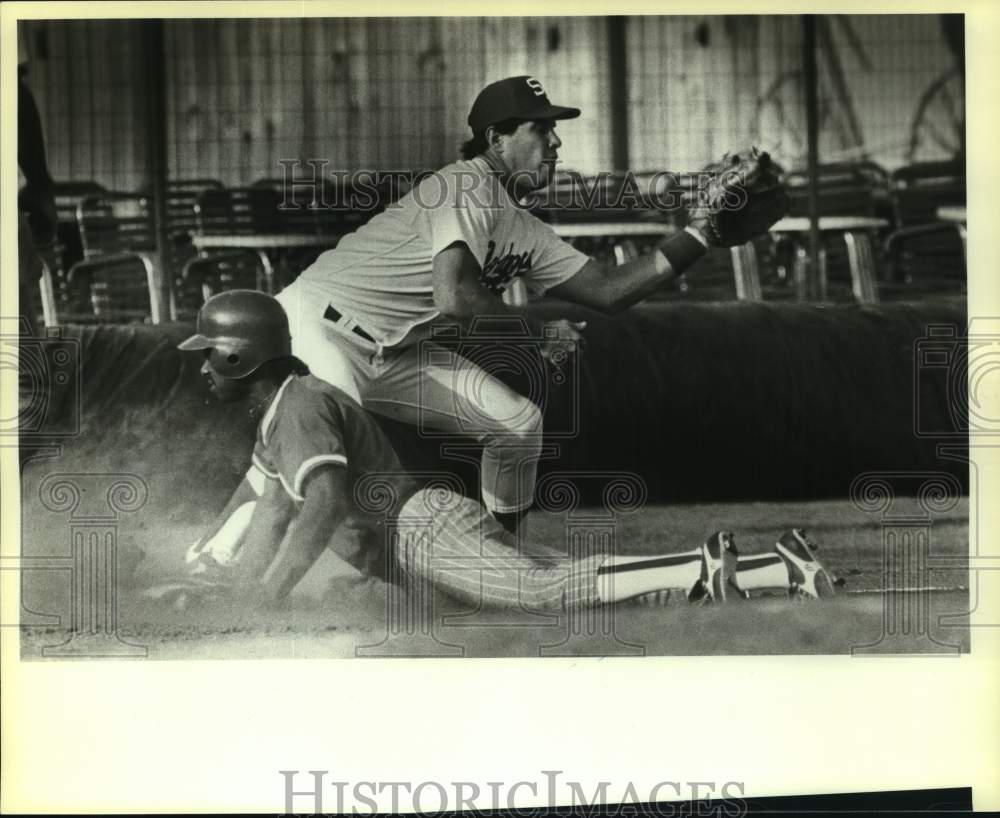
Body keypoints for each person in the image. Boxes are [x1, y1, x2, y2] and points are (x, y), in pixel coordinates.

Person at [274, 75, 756, 535]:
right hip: (318, 326)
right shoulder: (465, 186)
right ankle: (240, 560)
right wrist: (539, 333)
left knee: (516, 425)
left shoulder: (523, 227)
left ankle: (495, 557)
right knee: (326, 470)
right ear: (496, 139)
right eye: (540, 129)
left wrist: (699, 235)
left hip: (390, 350)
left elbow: (609, 289)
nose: (555, 142)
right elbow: (455, 295)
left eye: (554, 129)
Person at [155, 291, 836, 610]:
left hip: (420, 532)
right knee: (580, 581)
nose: (203, 369)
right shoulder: (280, 416)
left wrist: (267, 596)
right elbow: (272, 510)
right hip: (421, 535)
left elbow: (325, 501)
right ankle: (780, 571)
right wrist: (242, 593)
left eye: (211, 356)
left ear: (241, 356)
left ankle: (700, 564)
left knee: (546, 593)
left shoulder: (300, 405)